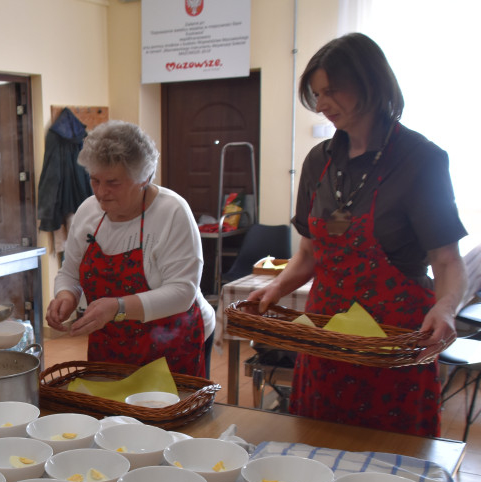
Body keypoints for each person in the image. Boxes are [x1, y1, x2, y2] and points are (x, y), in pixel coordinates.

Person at [248, 33, 466, 437]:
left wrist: (447, 306)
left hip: (395, 339)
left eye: (331, 91)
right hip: (325, 333)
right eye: (316, 94)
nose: (322, 104)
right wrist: (277, 287)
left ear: (370, 83)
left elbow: (447, 260)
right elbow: (309, 255)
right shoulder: (318, 162)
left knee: (392, 454)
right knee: (318, 440)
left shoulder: (421, 160)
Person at [46, 120, 216, 377]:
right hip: (110, 344)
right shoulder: (88, 211)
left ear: (143, 178)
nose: (101, 192)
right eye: (95, 180)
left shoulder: (172, 212)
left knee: (165, 414)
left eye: (113, 182)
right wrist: (66, 296)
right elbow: (69, 272)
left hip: (173, 342)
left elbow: (183, 292)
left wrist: (117, 307)